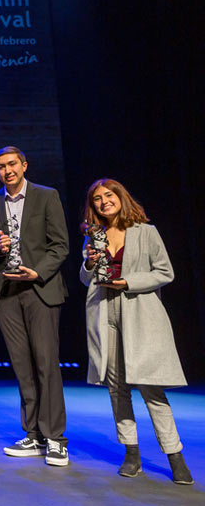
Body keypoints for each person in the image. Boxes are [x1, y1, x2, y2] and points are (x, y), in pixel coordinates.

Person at [80, 178, 193, 484]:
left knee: (150, 387)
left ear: (121, 197)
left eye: (109, 195)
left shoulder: (146, 232)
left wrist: (128, 282)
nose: (104, 202)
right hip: (105, 312)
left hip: (139, 311)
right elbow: (85, 277)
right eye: (97, 199)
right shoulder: (94, 235)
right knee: (116, 387)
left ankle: (175, 454)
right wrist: (89, 263)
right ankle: (131, 452)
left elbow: (165, 272)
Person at [0, 146, 70, 466]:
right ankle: (33, 434)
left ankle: (55, 438)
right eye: (1, 166)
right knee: (22, 366)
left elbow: (60, 245)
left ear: (24, 165)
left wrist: (38, 272)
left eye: (12, 164)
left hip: (40, 289)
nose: (7, 170)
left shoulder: (46, 196)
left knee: (46, 364)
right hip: (7, 293)